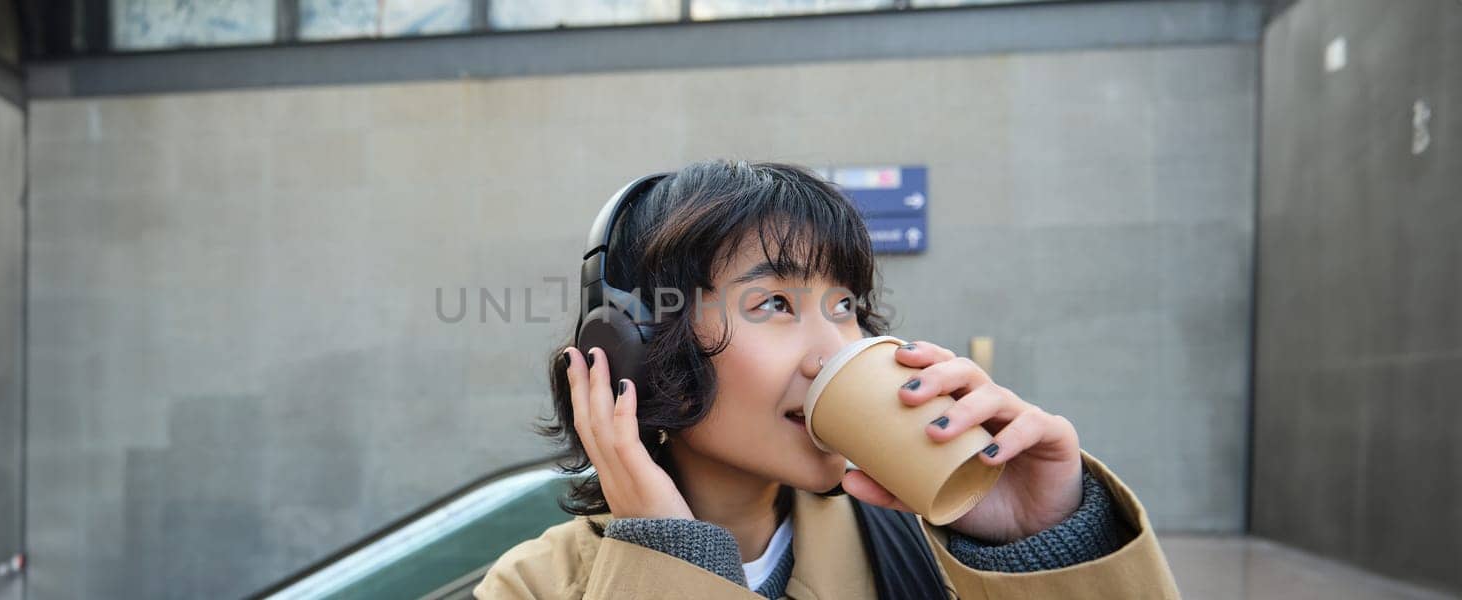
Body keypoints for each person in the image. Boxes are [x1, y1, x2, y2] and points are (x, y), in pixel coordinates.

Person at [474, 160, 1179, 599]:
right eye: (775, 304)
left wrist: (1043, 546)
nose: (834, 351)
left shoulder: (934, 557)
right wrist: (671, 559)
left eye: (845, 306)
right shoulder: (532, 588)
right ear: (635, 348)